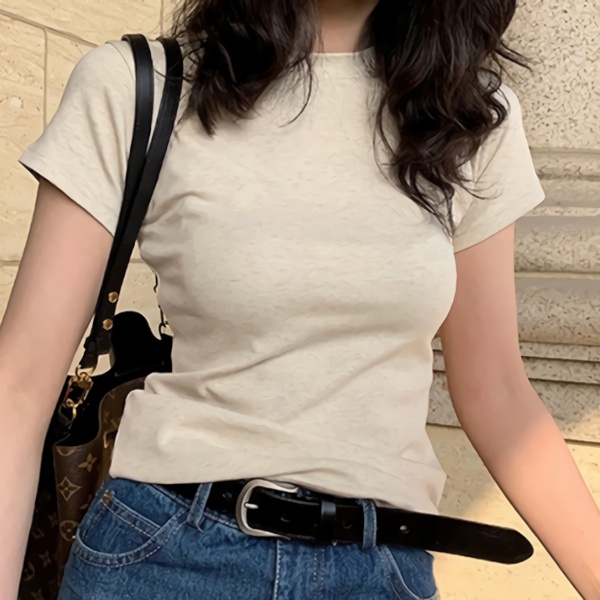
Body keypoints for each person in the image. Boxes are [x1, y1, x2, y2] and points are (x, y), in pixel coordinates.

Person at [1, 0, 599, 598]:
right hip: (166, 553)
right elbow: (20, 387)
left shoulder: (470, 118)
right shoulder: (143, 84)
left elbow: (498, 393)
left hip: (382, 568)